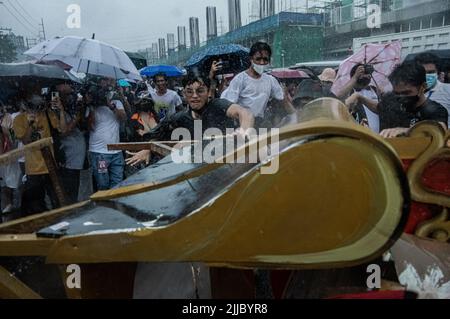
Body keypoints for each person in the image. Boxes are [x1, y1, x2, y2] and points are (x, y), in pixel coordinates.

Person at [126, 74, 255, 166]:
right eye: (189, 92)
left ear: (208, 92)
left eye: (200, 91)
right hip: (198, 169)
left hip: (227, 164)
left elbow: (245, 113)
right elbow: (156, 135)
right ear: (183, 94)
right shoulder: (179, 117)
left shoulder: (218, 106)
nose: (194, 96)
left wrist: (244, 131)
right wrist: (148, 149)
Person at [221, 41, 295, 128]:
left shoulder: (270, 80)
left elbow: (283, 100)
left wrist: (295, 117)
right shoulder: (240, 79)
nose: (262, 62)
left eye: (265, 59)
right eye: (258, 59)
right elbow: (229, 104)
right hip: (241, 123)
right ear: (251, 59)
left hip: (260, 123)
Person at [379, 62, 448, 138]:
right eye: (397, 93)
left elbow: (439, 130)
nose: (402, 97)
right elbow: (378, 107)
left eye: (406, 93)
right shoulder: (395, 104)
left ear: (423, 87)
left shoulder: (435, 110)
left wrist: (406, 131)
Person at [87, 85, 127, 191]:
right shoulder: (91, 108)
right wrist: (91, 106)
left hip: (116, 153)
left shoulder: (116, 103)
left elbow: (123, 117)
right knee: (103, 184)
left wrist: (111, 106)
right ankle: (103, 206)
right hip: (100, 154)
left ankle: (115, 206)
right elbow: (89, 127)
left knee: (117, 183)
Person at [335, 63, 380, 133]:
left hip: (380, 136)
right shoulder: (349, 91)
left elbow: (382, 107)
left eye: (368, 73)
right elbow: (338, 98)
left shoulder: (374, 90)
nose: (366, 76)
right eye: (362, 73)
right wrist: (355, 77)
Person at [414, 52, 450, 128]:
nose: (426, 75)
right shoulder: (409, 93)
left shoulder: (448, 90)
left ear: (438, 73)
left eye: (430, 72)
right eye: (422, 72)